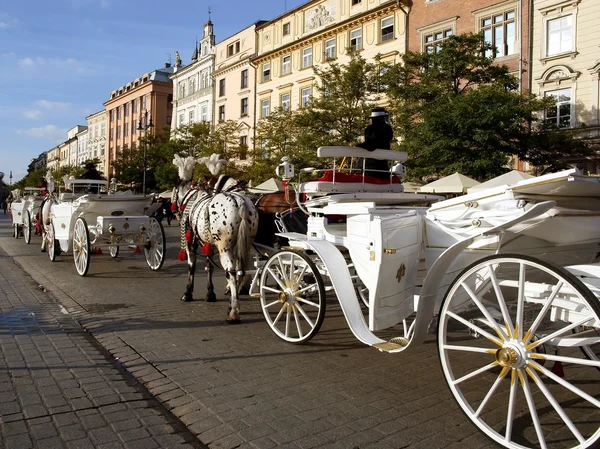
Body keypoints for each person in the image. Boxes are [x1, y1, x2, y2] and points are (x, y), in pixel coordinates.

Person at [357, 107, 394, 180]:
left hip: (364, 164)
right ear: (382, 118)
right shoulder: (386, 128)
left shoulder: (368, 129)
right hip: (381, 166)